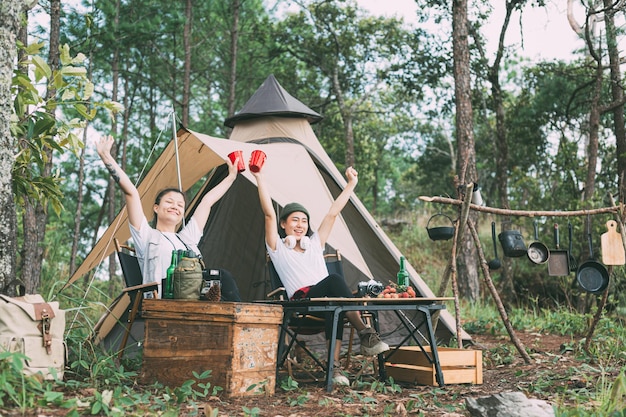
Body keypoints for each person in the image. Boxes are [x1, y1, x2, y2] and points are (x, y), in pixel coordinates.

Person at [252, 164, 389, 386]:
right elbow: (268, 213)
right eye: (294, 220)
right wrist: (260, 177)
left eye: (304, 221)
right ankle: (365, 332)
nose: (300, 225)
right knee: (335, 281)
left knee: (336, 306)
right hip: (302, 302)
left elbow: (333, 213)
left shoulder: (315, 243)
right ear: (283, 224)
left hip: (327, 301)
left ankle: (333, 370)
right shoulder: (278, 247)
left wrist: (351, 185)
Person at [96, 135, 241, 301]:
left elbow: (207, 202)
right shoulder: (147, 236)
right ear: (156, 208)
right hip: (163, 304)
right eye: (169, 202)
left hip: (195, 302)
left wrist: (231, 176)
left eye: (180, 205)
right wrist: (106, 157)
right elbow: (131, 193)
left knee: (223, 277)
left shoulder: (187, 238)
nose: (175, 206)